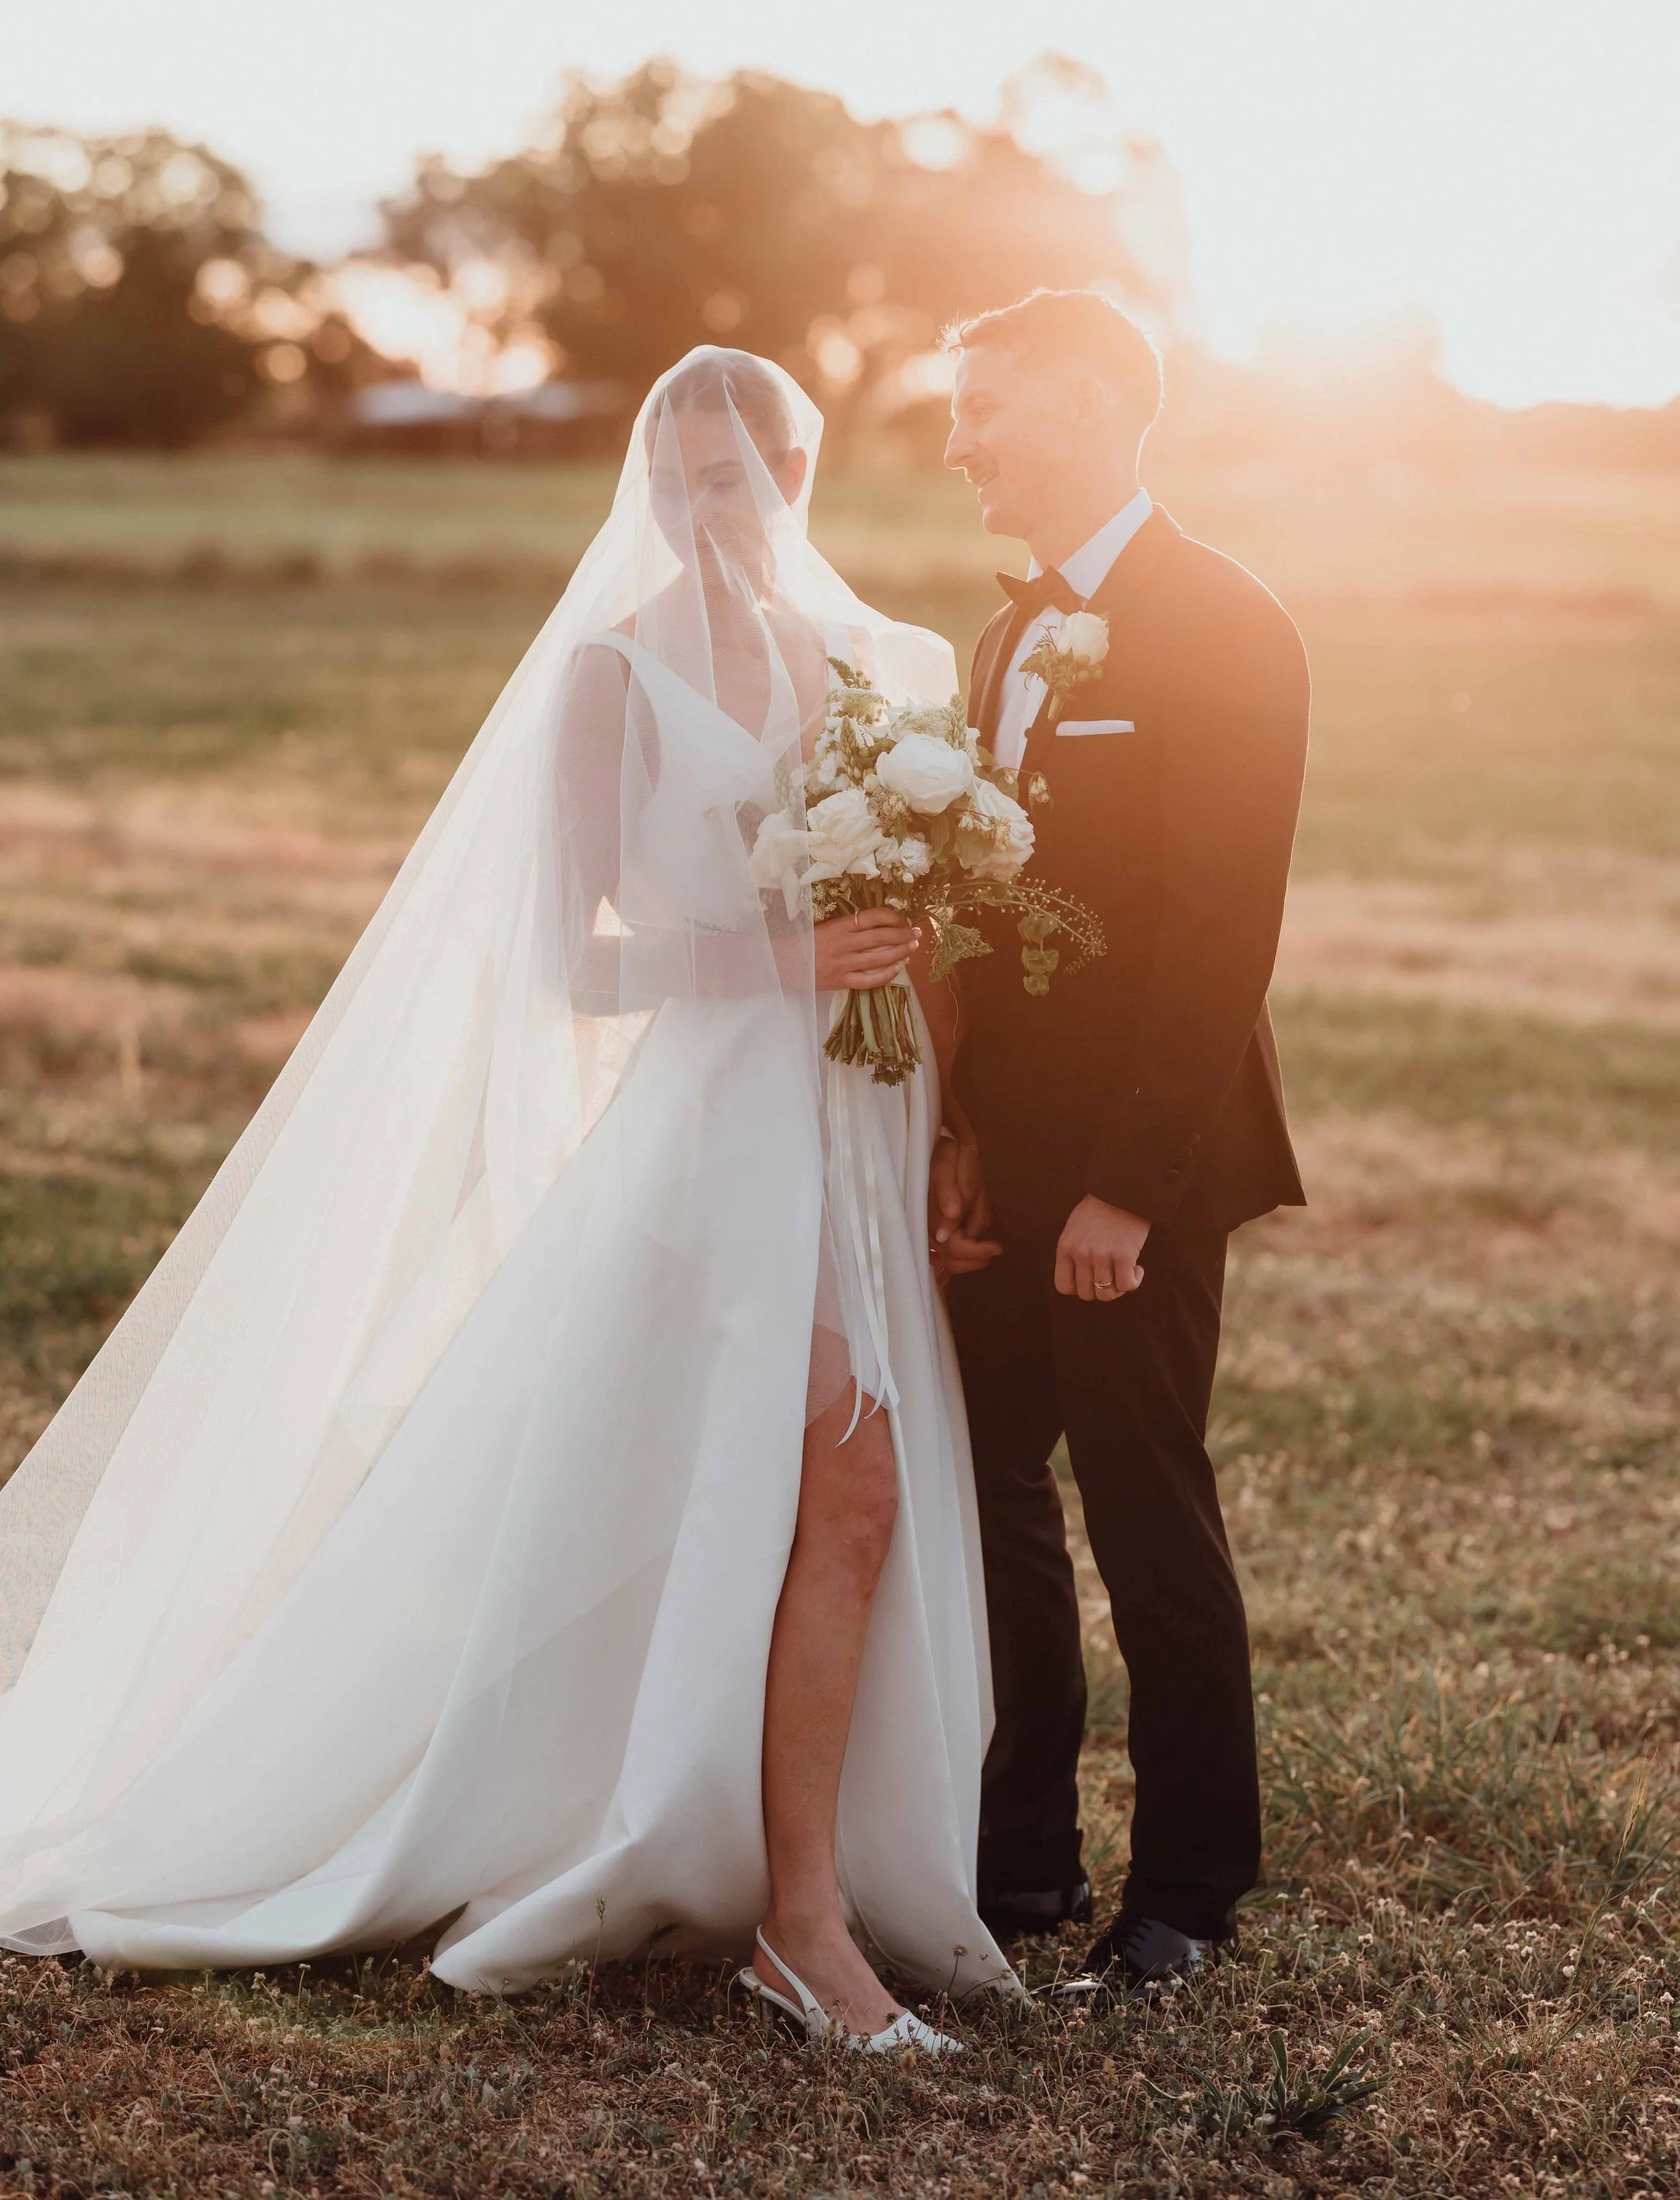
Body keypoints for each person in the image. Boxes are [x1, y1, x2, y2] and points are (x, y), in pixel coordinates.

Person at [0, 348, 1013, 2048]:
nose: (713, 512)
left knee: (845, 1499)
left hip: (860, 1115)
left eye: (741, 476)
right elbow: (572, 964)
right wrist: (784, 955)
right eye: (683, 480)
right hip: (717, 1134)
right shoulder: (611, 679)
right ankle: (789, 1917)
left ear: (796, 472)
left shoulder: (865, 665)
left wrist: (951, 1112)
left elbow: (934, 919)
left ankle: (791, 1882)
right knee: (781, 1488)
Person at [934, 288, 1309, 1991]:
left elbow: (1215, 940)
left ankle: (1185, 1894)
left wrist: (1118, 1191)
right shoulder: (1005, 639)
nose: (956, 442)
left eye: (984, 407)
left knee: (1143, 1504)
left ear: (1085, 406)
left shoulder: (1227, 624)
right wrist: (955, 1138)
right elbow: (979, 912)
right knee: (990, 1484)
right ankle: (1017, 1864)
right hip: (998, 1160)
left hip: (1131, 1171)